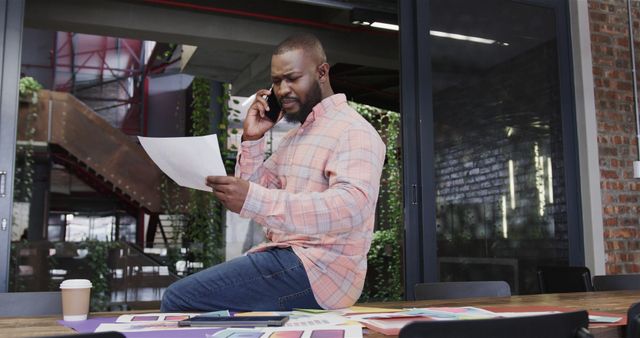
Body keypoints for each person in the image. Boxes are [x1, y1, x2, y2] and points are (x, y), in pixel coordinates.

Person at [161, 33, 385, 312]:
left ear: (322, 72)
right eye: (277, 81)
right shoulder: (294, 139)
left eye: (292, 78)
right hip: (289, 259)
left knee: (179, 298)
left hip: (320, 269)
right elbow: (252, 193)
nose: (282, 90)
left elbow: (351, 207)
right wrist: (252, 139)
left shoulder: (354, 131)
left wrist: (255, 198)